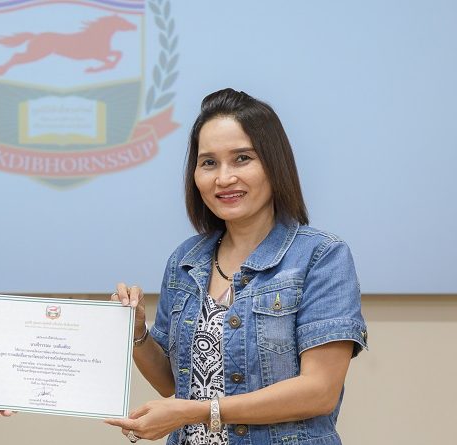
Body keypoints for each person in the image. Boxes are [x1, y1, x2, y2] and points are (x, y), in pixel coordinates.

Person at [106, 89, 368, 445]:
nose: (223, 178)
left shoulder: (321, 256)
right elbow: (171, 383)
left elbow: (319, 392)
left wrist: (198, 412)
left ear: (274, 165)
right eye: (209, 163)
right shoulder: (186, 259)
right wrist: (137, 333)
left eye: (242, 158)